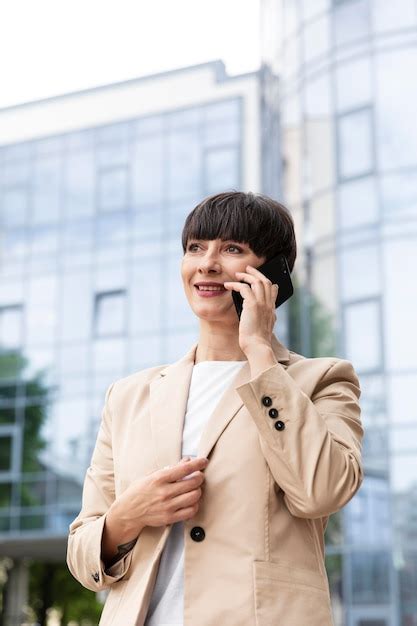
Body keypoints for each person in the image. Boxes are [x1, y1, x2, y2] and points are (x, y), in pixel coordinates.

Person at [66, 191, 364, 626]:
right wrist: (127, 516)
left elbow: (322, 490)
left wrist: (260, 352)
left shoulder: (321, 380)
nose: (206, 263)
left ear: (272, 274)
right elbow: (82, 554)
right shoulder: (129, 396)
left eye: (232, 249)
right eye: (195, 248)